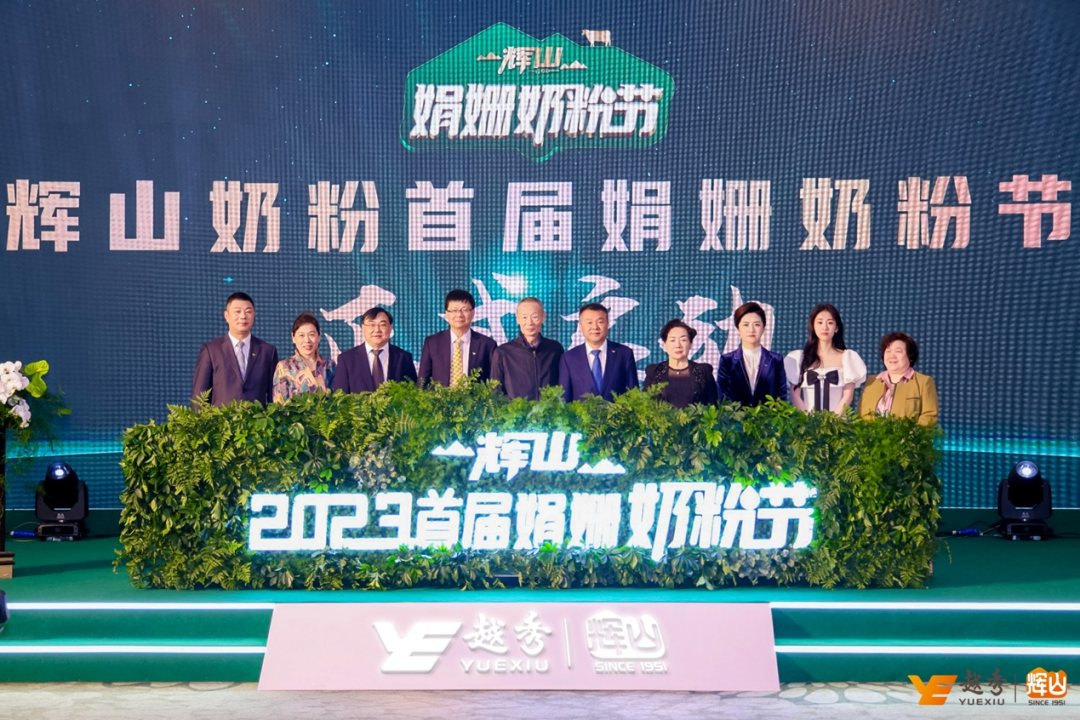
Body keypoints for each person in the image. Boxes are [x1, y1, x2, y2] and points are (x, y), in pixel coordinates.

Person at [192, 292, 278, 407]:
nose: (243, 316)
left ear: (254, 315)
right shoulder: (211, 350)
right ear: (226, 316)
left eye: (248, 312)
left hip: (256, 417)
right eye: (237, 311)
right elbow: (200, 396)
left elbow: (274, 396)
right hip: (221, 417)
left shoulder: (267, 351)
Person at [784, 304, 866, 414]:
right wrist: (807, 420)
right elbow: (795, 396)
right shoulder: (799, 358)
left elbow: (848, 396)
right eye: (820, 322)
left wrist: (834, 420)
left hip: (838, 421)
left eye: (830, 323)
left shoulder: (848, 358)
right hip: (806, 421)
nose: (825, 327)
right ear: (813, 326)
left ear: (836, 328)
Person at [559, 303, 638, 402]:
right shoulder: (569, 358)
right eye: (589, 322)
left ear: (608, 324)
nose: (595, 327)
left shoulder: (624, 354)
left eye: (600, 322)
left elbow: (633, 395)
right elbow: (564, 399)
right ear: (580, 326)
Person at [418, 289, 497, 387]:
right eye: (454, 310)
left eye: (464, 310)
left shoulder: (487, 345)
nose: (459, 315)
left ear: (473, 313)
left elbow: (493, 382)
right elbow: (422, 381)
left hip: (475, 397)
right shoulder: (432, 343)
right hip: (438, 397)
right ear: (447, 314)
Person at [490, 298, 565, 400]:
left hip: (548, 409)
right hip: (516, 410)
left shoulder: (555, 349)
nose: (529, 322)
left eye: (535, 317)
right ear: (517, 318)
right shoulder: (503, 352)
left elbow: (562, 386)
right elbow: (496, 392)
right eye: (524, 317)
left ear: (543, 317)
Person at [858, 332, 939, 426]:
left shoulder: (923, 382)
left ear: (910, 356)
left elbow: (929, 416)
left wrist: (911, 434)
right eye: (888, 351)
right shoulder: (872, 381)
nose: (892, 356)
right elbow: (860, 414)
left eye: (898, 351)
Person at [332, 307, 418, 393]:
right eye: (371, 325)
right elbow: (340, 396)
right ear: (363, 327)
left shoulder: (404, 358)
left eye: (382, 325)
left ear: (390, 327)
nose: (377, 330)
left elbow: (413, 394)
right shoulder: (347, 359)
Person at [717, 302, 788, 407]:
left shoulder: (775, 360)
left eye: (756, 325)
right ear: (738, 329)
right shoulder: (727, 360)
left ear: (763, 328)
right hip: (735, 416)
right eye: (746, 325)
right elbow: (723, 396)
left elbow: (781, 395)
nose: (751, 330)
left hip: (767, 416)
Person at [643, 319, 718, 407]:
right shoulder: (653, 372)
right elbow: (645, 406)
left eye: (683, 340)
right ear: (665, 344)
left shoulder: (704, 371)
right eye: (672, 340)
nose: (678, 345)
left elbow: (713, 406)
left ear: (691, 343)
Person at [272, 313, 335, 402]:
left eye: (311, 334)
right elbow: (279, 404)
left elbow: (337, 398)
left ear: (319, 336)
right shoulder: (284, 367)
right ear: (293, 337)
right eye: (301, 335)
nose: (307, 340)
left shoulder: (329, 365)